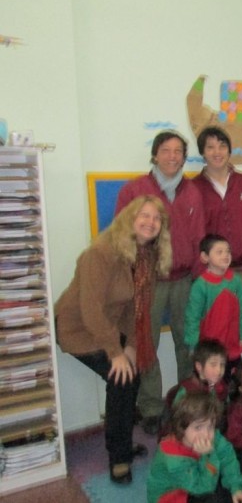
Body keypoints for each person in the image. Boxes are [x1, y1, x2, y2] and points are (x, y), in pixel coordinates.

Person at [56, 195, 171, 484]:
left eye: (156, 218)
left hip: (106, 325)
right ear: (129, 218)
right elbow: (90, 309)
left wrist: (130, 345)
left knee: (131, 373)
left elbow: (136, 308)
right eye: (144, 215)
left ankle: (121, 442)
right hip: (77, 328)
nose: (150, 222)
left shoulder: (145, 256)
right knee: (122, 379)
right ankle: (119, 457)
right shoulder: (101, 253)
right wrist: (115, 352)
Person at [115, 130, 205, 434]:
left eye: (178, 151)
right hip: (147, 282)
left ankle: (187, 402)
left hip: (185, 279)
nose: (172, 156)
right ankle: (151, 408)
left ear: (184, 157)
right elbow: (122, 235)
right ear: (155, 154)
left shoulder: (193, 191)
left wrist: (199, 281)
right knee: (146, 344)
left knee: (188, 342)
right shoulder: (135, 189)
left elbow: (200, 238)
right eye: (166, 150)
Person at [192, 126, 242, 363]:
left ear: (229, 150)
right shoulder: (193, 188)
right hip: (215, 275)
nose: (217, 152)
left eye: (222, 146)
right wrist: (202, 272)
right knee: (218, 333)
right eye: (210, 147)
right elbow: (194, 235)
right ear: (202, 153)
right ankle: (220, 382)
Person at [147, 392, 242, 503]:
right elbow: (203, 489)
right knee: (214, 499)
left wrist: (237, 488)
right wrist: (208, 455)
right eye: (198, 427)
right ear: (181, 428)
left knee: (238, 460)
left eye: (210, 426)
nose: (206, 434)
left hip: (200, 479)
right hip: (173, 496)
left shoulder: (211, 436)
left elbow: (227, 457)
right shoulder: (174, 457)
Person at [184, 234, 242, 380]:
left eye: (228, 251)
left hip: (232, 346)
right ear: (205, 257)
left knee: (234, 382)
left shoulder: (236, 281)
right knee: (212, 383)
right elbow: (192, 318)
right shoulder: (200, 285)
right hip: (210, 349)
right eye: (219, 252)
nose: (225, 255)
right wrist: (194, 345)